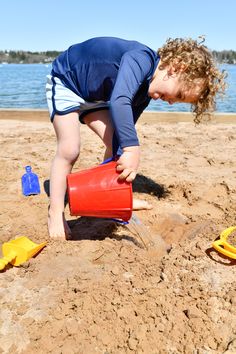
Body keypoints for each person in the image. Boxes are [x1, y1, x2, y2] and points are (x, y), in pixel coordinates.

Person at [46, 36, 225, 239]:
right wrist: (132, 148)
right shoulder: (141, 58)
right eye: (180, 95)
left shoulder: (145, 94)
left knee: (118, 144)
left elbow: (126, 126)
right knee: (70, 148)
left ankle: (113, 197)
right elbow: (119, 100)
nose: (172, 103)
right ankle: (55, 212)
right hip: (68, 82)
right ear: (177, 67)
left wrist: (125, 147)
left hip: (95, 96)